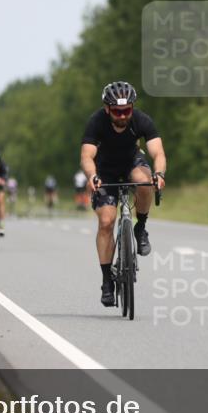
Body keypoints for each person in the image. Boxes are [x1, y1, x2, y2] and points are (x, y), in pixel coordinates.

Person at [80, 81, 166, 307]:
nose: (122, 116)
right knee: (106, 222)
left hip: (131, 163)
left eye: (126, 110)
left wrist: (159, 173)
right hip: (105, 170)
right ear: (107, 108)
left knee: (145, 182)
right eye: (117, 111)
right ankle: (107, 281)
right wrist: (92, 176)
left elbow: (158, 152)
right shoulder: (96, 121)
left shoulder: (141, 120)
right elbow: (87, 156)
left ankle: (140, 227)